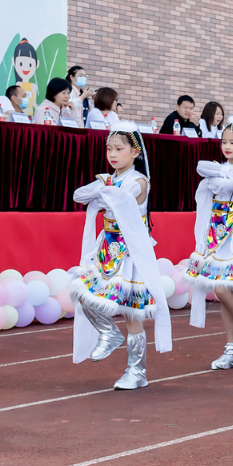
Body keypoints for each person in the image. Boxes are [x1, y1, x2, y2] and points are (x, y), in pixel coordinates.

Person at [70, 124, 171, 389]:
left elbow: (120, 199)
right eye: (109, 148)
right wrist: (102, 187)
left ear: (135, 152)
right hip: (107, 246)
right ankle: (108, 333)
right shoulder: (108, 178)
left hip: (130, 251)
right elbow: (78, 195)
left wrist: (103, 190)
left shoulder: (138, 181)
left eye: (119, 148)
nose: (113, 154)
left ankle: (136, 371)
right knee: (81, 292)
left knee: (131, 312)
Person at [184, 117, 233, 370]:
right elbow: (202, 169)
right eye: (224, 141)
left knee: (223, 289)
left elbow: (224, 183)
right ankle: (232, 349)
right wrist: (216, 174)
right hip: (218, 233)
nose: (227, 146)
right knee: (224, 292)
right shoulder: (224, 167)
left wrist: (215, 176)